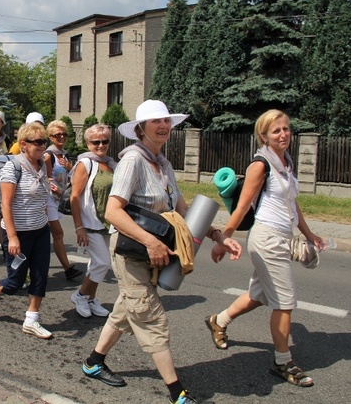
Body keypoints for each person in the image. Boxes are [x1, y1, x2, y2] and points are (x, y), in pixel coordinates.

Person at [81, 100, 240, 404]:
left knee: (127, 310)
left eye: (166, 120)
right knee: (152, 318)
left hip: (153, 252)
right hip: (132, 251)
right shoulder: (133, 161)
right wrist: (151, 241)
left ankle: (93, 363)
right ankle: (177, 393)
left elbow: (181, 210)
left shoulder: (162, 163)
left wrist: (218, 235)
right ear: (141, 129)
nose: (164, 126)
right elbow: (113, 212)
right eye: (156, 121)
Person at [206, 109, 324, 388]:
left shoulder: (285, 160)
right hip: (267, 239)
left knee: (259, 294)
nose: (283, 134)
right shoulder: (260, 165)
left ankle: (218, 321)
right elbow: (243, 205)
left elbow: (292, 202)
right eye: (276, 131)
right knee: (285, 303)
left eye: (286, 129)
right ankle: (282, 361)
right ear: (263, 135)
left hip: (282, 236)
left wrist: (309, 234)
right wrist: (223, 238)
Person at [0, 122, 54, 339]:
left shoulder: (42, 164)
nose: (43, 146)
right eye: (38, 142)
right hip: (18, 233)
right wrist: (11, 237)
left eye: (44, 141)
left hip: (40, 229)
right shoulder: (13, 167)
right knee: (15, 281)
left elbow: (41, 191)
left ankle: (31, 319)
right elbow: (6, 205)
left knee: (40, 275)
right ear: (23, 144)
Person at [69, 124, 116, 318]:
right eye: (96, 142)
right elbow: (74, 196)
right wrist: (79, 227)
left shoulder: (111, 163)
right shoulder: (85, 164)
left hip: (108, 222)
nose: (101, 145)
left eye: (105, 141)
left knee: (95, 264)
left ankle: (90, 298)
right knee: (103, 263)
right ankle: (80, 295)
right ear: (88, 143)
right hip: (90, 222)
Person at [44, 120, 83, 280]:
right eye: (57, 135)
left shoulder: (64, 154)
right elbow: (46, 178)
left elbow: (73, 175)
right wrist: (52, 186)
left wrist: (69, 167)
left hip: (59, 199)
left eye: (63, 134)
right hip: (48, 200)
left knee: (49, 235)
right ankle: (67, 268)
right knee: (58, 234)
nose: (61, 137)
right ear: (51, 137)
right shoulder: (48, 155)